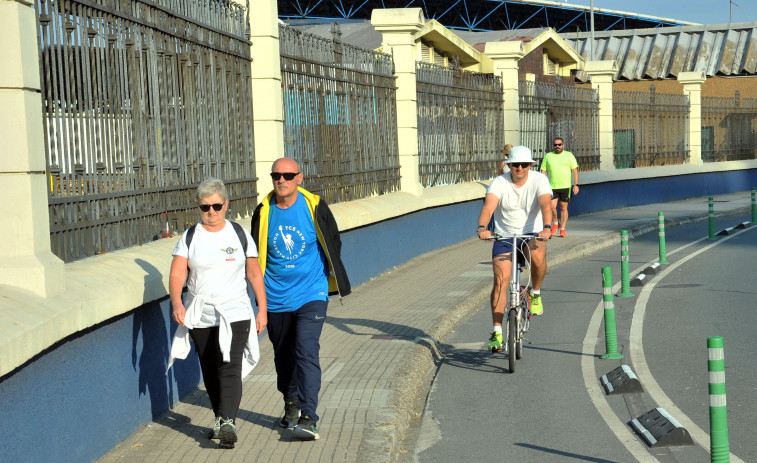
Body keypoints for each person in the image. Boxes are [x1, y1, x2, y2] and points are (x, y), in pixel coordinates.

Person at [251, 157, 351, 441]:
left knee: (306, 350)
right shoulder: (263, 211)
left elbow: (333, 240)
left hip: (311, 292)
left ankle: (309, 416)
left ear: (300, 178)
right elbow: (254, 256)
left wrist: (326, 273)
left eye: (287, 175)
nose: (281, 180)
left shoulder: (315, 206)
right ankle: (291, 402)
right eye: (276, 175)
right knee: (283, 358)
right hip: (275, 297)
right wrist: (259, 301)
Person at [167, 178, 268, 449]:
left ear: (226, 204)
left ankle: (228, 422)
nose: (211, 211)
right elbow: (178, 273)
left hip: (235, 310)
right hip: (200, 313)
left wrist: (262, 309)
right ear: (198, 207)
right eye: (205, 206)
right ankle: (221, 418)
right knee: (210, 369)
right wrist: (177, 303)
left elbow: (254, 272)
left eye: (216, 205)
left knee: (229, 366)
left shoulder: (239, 234)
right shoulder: (190, 237)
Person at [477, 146, 552, 352]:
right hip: (505, 236)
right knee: (501, 280)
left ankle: (535, 293)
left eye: (524, 164)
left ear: (530, 165)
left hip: (532, 234)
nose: (520, 168)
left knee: (538, 255)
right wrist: (483, 227)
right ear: (509, 165)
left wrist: (547, 228)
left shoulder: (539, 180)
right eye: (515, 164)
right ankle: (497, 331)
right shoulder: (500, 182)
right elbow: (489, 207)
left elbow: (546, 204)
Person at [540, 137, 579, 237]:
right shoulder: (548, 156)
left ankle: (562, 229)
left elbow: (574, 170)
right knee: (552, 207)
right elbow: (543, 171)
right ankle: (555, 223)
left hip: (566, 186)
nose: (557, 146)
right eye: (555, 145)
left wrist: (576, 185)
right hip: (552, 186)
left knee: (563, 208)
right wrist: (541, 184)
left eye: (559, 144)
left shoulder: (569, 155)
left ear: (563, 145)